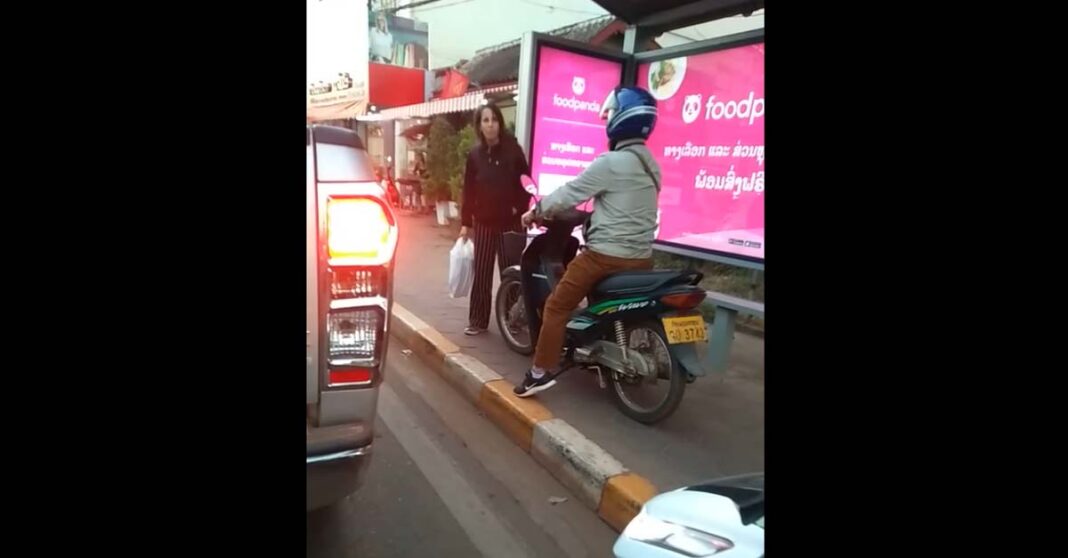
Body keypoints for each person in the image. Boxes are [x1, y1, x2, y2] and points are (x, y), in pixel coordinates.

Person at [514, 86, 662, 397]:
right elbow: (625, 208)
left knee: (556, 306)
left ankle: (539, 373)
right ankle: (597, 353)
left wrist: (535, 213)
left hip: (606, 257)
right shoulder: (651, 164)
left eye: (609, 114)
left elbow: (570, 193)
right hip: (642, 258)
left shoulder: (610, 163)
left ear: (620, 118)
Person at [460, 103, 533, 336]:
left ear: (500, 123)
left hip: (509, 224)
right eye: (485, 120)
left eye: (494, 120)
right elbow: (468, 190)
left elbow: (526, 183)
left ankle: (514, 320)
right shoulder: (475, 155)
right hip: (483, 222)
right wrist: (465, 223)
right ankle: (478, 321)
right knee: (481, 273)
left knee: (510, 272)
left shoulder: (513, 151)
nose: (490, 125)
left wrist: (518, 208)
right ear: (479, 126)